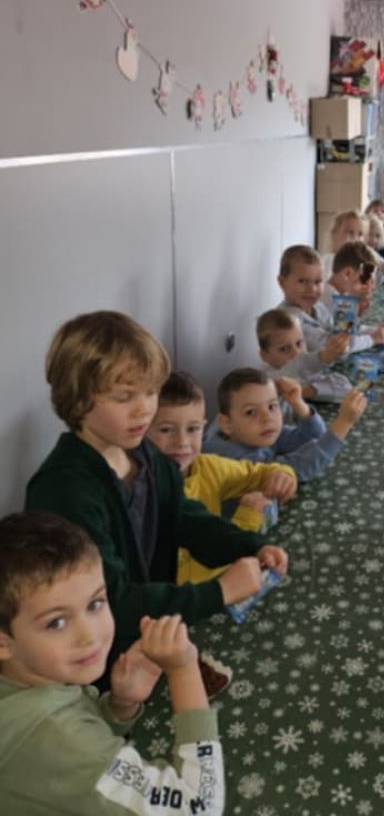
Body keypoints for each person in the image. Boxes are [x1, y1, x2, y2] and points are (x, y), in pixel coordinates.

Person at [25, 311, 288, 668]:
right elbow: (109, 602)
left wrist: (249, 545)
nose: (144, 410)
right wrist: (219, 592)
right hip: (100, 665)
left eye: (151, 392)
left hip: (153, 639)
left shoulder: (144, 454)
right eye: (124, 397)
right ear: (78, 399)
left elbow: (183, 516)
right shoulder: (65, 492)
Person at [0, 511, 227, 816]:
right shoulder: (61, 741)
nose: (89, 636)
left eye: (95, 604)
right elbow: (199, 808)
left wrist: (119, 706)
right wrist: (183, 670)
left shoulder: (29, 681)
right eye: (56, 623)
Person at [147, 371, 298, 583]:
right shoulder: (139, 488)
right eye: (166, 430)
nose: (182, 442)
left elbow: (258, 473)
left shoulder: (210, 467)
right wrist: (248, 518)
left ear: (204, 426)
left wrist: (282, 474)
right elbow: (193, 574)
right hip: (186, 597)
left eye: (193, 428)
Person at [203, 368, 367, 479]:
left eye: (272, 406)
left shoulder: (255, 433)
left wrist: (298, 403)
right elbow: (298, 469)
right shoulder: (233, 461)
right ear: (227, 424)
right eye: (251, 412)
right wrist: (344, 422)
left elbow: (311, 438)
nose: (267, 418)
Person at [278, 244, 384, 354]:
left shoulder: (317, 307)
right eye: (302, 281)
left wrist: (372, 330)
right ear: (282, 282)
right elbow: (335, 346)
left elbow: (339, 330)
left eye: (317, 282)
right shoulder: (288, 320)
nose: (312, 289)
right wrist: (372, 339)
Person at [257, 308, 352, 403]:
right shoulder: (267, 379)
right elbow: (298, 365)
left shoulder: (306, 368)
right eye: (284, 349)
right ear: (265, 356)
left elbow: (345, 389)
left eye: (299, 343)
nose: (296, 353)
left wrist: (305, 391)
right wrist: (324, 356)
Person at [321, 210, 365, 276]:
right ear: (335, 234)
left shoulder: (362, 264)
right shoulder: (330, 261)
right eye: (350, 232)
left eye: (360, 234)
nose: (355, 238)